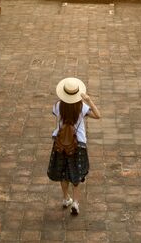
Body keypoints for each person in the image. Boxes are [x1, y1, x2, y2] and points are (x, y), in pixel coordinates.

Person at [46, 76, 101, 216]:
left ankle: (66, 198)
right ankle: (76, 203)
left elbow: (57, 118)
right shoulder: (82, 107)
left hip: (61, 144)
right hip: (78, 144)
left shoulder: (58, 105)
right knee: (76, 173)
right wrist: (88, 100)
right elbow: (98, 115)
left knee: (63, 173)